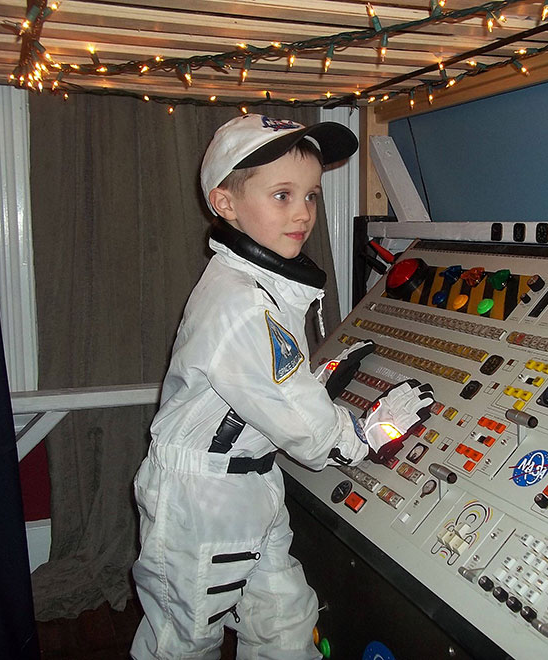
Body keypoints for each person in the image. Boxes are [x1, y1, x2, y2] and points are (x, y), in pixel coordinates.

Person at [130, 113, 434, 660]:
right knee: (183, 639)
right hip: (202, 498)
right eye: (282, 195)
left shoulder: (263, 287)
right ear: (226, 204)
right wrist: (366, 433)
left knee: (285, 621)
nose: (303, 214)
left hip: (251, 483)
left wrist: (320, 381)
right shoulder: (242, 303)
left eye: (311, 196)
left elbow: (270, 389)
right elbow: (311, 434)